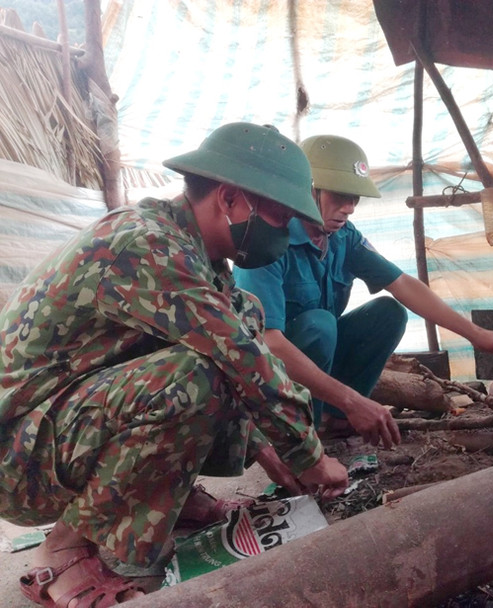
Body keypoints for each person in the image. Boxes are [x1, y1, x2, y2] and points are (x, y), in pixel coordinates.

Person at [0, 122, 348, 607]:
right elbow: (243, 361)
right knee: (197, 374)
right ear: (229, 200)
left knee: (243, 314)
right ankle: (65, 548)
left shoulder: (199, 259)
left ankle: (170, 500)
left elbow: (241, 337)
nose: (286, 230)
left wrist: (267, 450)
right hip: (18, 458)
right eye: (279, 213)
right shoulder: (143, 245)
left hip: (59, 433)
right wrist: (309, 457)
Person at [233, 135, 493, 449]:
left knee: (388, 313)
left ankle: (336, 419)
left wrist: (476, 334)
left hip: (318, 364)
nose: (350, 208)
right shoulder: (267, 240)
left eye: (355, 198)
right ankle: (300, 437)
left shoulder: (344, 238)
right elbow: (267, 343)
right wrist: (353, 400)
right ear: (308, 188)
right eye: (340, 196)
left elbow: (403, 284)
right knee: (319, 325)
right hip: (266, 376)